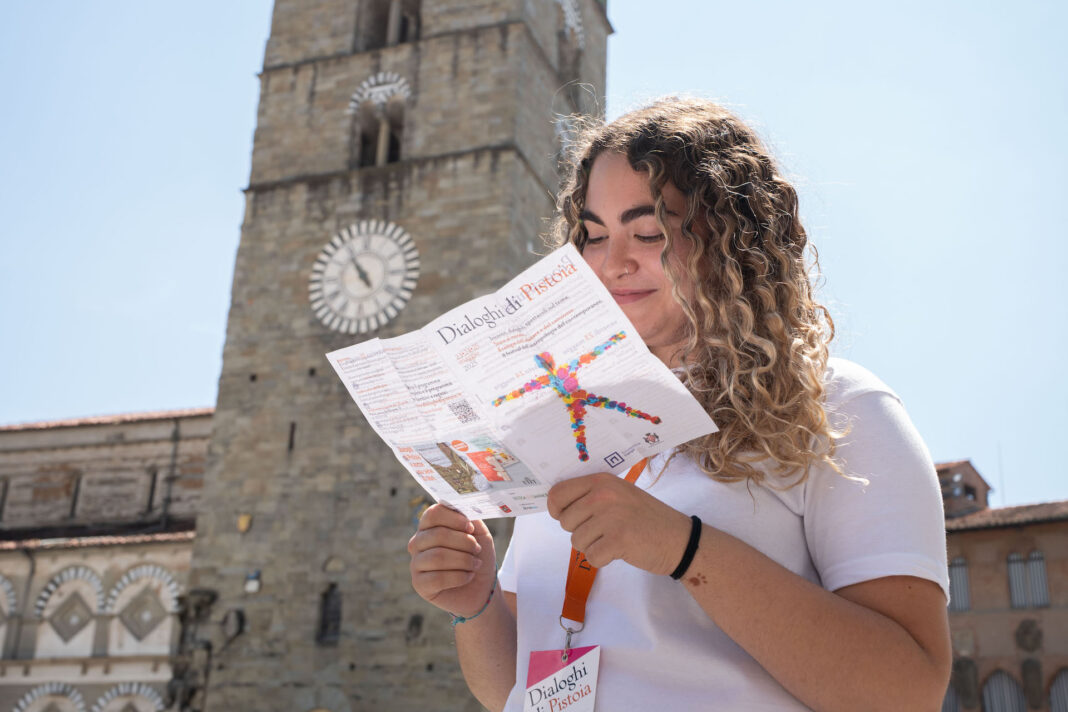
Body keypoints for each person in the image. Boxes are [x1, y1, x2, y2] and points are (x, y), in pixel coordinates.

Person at [408, 97, 952, 711]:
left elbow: (908, 692)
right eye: (593, 235)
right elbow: (514, 689)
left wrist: (682, 548)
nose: (612, 263)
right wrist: (475, 602)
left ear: (734, 240)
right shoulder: (561, 419)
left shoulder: (838, 406)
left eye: (648, 233)